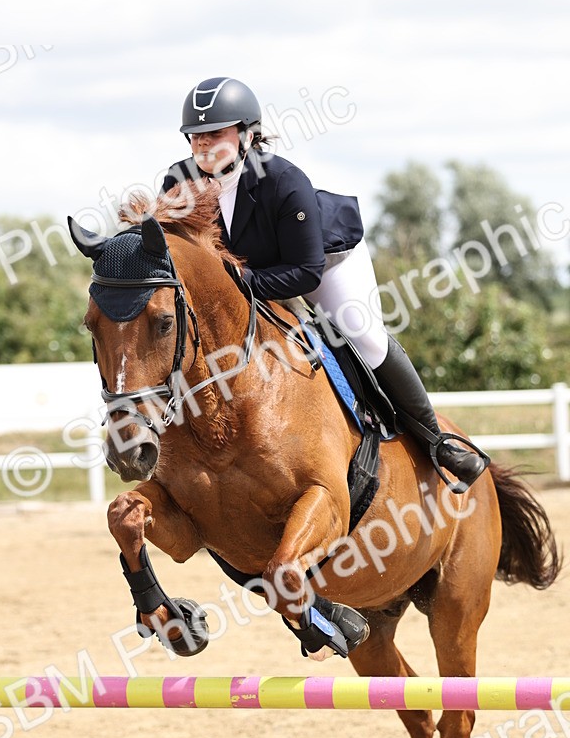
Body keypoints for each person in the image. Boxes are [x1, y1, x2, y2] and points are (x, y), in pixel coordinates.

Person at [162, 76, 489, 491]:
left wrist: (243, 280)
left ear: (247, 135)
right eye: (195, 137)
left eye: (216, 134)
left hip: (323, 262)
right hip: (247, 274)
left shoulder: (283, 181)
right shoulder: (179, 184)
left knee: (360, 333)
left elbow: (305, 272)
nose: (203, 145)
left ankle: (437, 442)